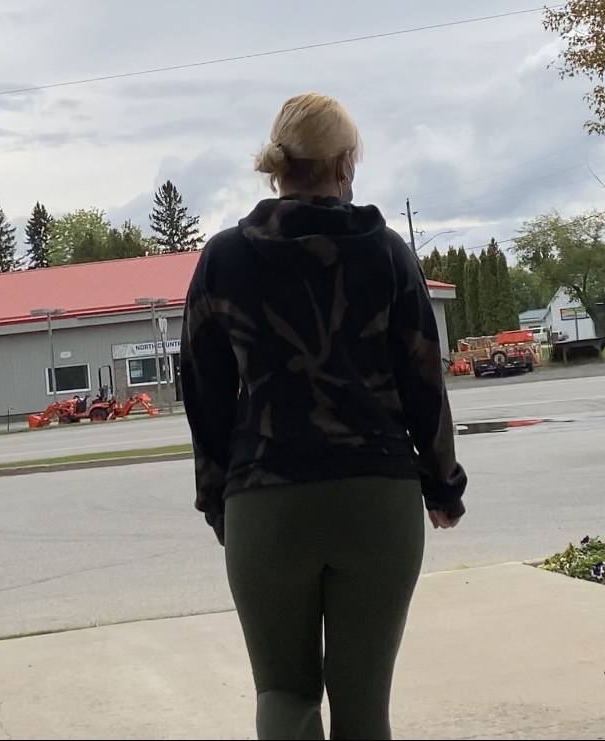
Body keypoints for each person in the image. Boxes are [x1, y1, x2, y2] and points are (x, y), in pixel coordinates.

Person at [180, 92, 467, 740]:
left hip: (267, 501)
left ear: (279, 166)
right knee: (364, 707)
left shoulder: (224, 258)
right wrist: (442, 485)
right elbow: (423, 377)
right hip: (377, 499)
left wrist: (218, 497)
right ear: (343, 165)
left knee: (284, 692)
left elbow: (202, 388)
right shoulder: (387, 252)